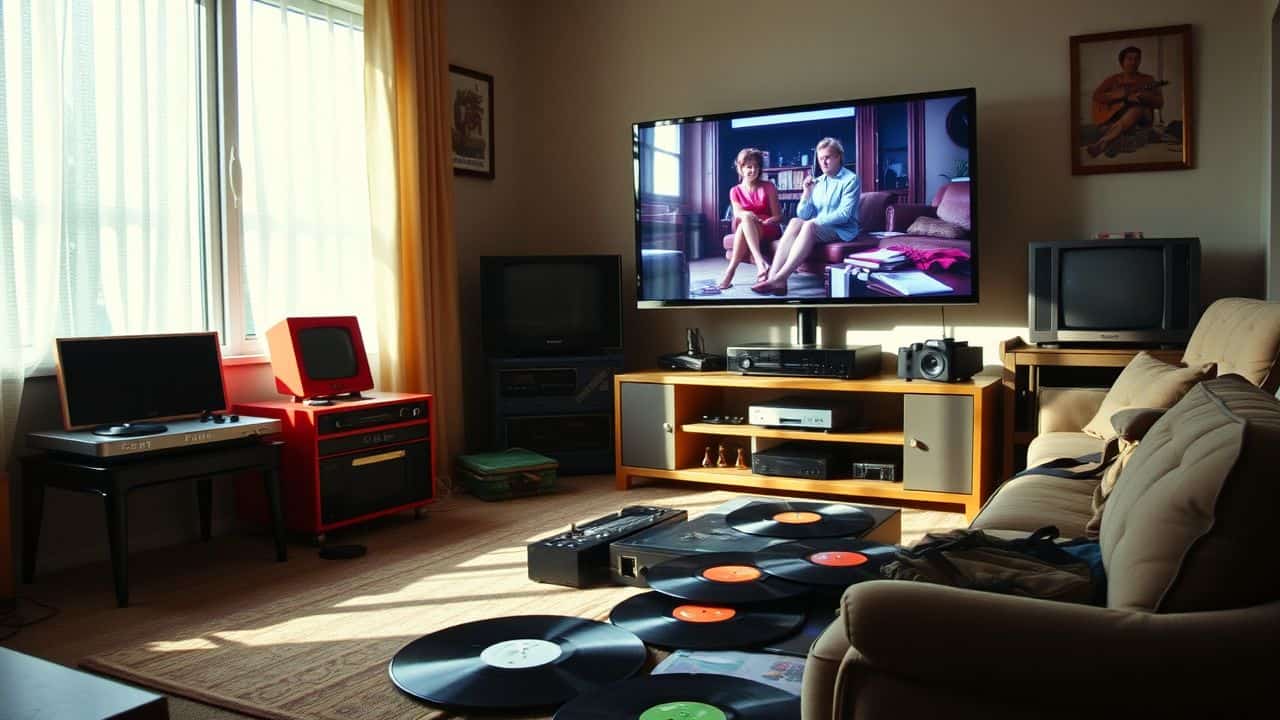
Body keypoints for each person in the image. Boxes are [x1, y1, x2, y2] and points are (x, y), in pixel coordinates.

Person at [752, 137, 861, 295]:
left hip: (843, 230)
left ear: (838, 157)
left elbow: (844, 215)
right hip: (821, 227)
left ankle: (781, 278)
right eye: (821, 158)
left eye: (828, 158)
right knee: (796, 221)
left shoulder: (850, 180)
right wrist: (806, 192)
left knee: (809, 225)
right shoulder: (818, 181)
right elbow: (803, 214)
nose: (823, 162)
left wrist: (815, 221)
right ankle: (774, 276)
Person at [717, 147, 783, 289]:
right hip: (748, 227)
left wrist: (767, 221)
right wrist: (748, 216)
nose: (753, 170)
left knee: (744, 221)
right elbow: (738, 213)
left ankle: (731, 271)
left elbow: (778, 216)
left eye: (756, 167)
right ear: (740, 168)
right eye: (749, 167)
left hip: (768, 227)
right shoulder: (734, 191)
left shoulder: (768, 186)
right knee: (745, 220)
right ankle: (761, 263)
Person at [1085, 45, 1165, 158]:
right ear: (1122, 61)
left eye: (1137, 59)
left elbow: (1160, 103)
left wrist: (1145, 97)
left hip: (1142, 117)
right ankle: (1112, 143)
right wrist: (1117, 95)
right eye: (1130, 59)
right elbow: (1097, 96)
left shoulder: (1148, 79)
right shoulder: (1113, 79)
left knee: (1137, 109)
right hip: (1117, 116)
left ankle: (1103, 142)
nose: (1133, 62)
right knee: (1109, 127)